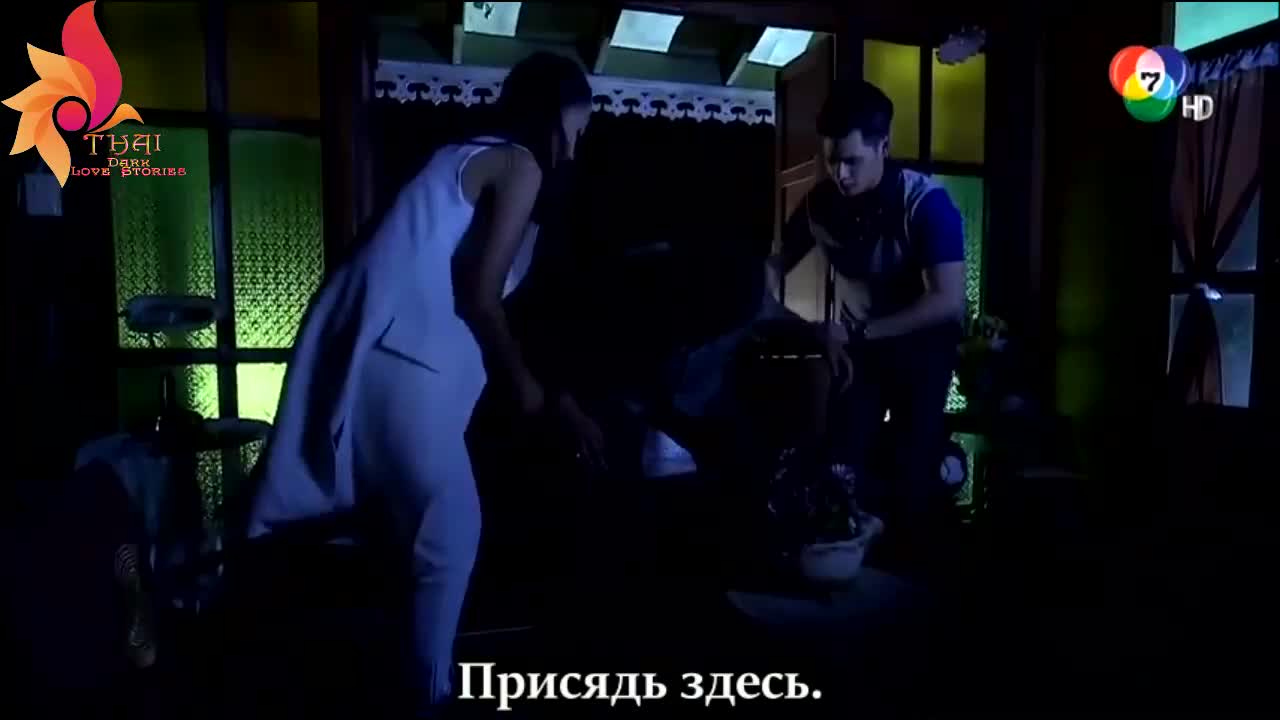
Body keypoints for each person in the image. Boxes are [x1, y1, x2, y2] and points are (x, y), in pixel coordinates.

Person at [243, 52, 605, 710]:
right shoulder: (518, 163)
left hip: (393, 366)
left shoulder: (464, 156)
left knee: (415, 541)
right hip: (407, 369)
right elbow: (480, 296)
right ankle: (428, 699)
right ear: (552, 116)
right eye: (575, 129)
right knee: (449, 532)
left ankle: (398, 689)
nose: (575, 147)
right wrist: (524, 385)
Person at [765, 80, 966, 572]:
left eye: (852, 161)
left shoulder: (926, 203)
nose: (841, 174)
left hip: (923, 346)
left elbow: (948, 301)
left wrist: (853, 333)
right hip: (860, 349)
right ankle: (851, 570)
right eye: (833, 161)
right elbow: (774, 264)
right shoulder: (819, 203)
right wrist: (782, 314)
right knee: (844, 464)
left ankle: (914, 566)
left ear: (884, 147)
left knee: (912, 472)